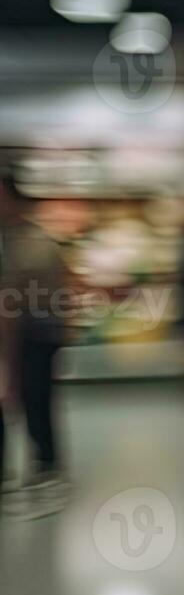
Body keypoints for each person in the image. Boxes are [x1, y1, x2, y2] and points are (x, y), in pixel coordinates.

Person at [0, 172, 68, 506]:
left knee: (35, 401)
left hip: (35, 336)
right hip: (23, 334)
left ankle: (47, 467)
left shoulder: (33, 242)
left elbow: (21, 300)